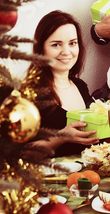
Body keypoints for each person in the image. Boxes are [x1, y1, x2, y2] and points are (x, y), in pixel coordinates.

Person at [31, 10, 98, 156]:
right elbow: (21, 153)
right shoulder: (30, 93)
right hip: (50, 177)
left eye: (72, 43)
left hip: (86, 176)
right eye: (56, 45)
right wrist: (60, 137)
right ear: (41, 48)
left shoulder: (81, 86)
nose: (66, 51)